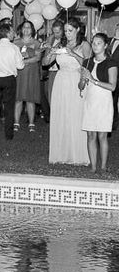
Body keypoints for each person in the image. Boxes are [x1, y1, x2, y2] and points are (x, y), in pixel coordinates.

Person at [49, 17, 91, 165]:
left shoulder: (84, 44)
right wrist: (51, 52)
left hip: (76, 80)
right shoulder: (61, 44)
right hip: (60, 81)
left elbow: (88, 64)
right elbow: (45, 63)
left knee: (76, 116)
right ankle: (61, 153)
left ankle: (78, 154)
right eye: (65, 31)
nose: (67, 33)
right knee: (62, 114)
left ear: (78, 30)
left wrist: (72, 53)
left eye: (70, 30)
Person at [78, 33, 118, 172]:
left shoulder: (111, 63)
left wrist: (93, 80)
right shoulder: (87, 62)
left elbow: (112, 86)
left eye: (99, 43)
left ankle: (103, 166)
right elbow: (81, 86)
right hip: (90, 101)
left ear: (105, 45)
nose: (95, 46)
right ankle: (93, 167)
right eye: (93, 43)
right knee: (90, 135)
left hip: (104, 102)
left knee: (102, 135)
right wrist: (83, 79)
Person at [0, 23, 24, 140]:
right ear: (7, 33)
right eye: (12, 32)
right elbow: (20, 66)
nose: (14, 34)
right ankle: (9, 135)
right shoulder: (14, 48)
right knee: (9, 108)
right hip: (9, 80)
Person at [13, 20, 43, 132]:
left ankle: (31, 123)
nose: (26, 29)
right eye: (24, 27)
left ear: (32, 30)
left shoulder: (36, 43)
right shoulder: (15, 42)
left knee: (31, 97)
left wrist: (24, 61)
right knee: (18, 97)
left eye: (29, 27)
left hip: (31, 72)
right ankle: (16, 122)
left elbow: (38, 58)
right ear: (21, 29)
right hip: (19, 72)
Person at [40, 20, 66, 123]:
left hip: (59, 71)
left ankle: (58, 120)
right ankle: (53, 119)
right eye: (54, 32)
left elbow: (56, 52)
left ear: (63, 31)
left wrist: (51, 48)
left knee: (56, 97)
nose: (55, 34)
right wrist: (43, 46)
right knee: (48, 96)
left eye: (58, 32)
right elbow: (43, 50)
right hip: (49, 71)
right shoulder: (50, 38)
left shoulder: (65, 41)